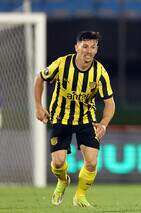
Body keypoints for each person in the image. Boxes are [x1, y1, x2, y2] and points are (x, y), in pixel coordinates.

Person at [34, 31, 115, 207]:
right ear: (76, 47)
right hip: (60, 118)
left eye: (93, 47)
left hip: (86, 120)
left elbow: (110, 103)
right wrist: (39, 107)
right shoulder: (62, 64)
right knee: (58, 162)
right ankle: (63, 181)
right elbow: (39, 79)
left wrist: (104, 124)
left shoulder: (100, 73)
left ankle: (80, 196)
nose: (89, 50)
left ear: (97, 49)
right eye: (85, 46)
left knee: (92, 162)